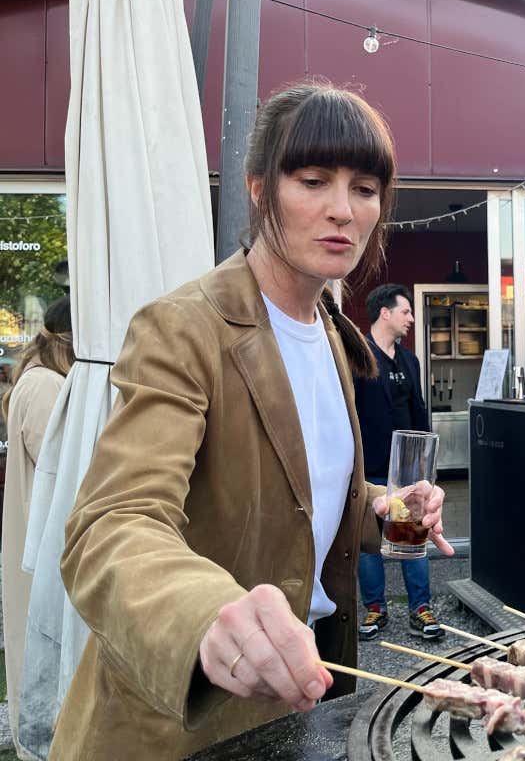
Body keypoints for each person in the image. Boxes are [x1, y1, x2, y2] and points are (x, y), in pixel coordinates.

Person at [51, 82, 451, 759]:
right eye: (313, 180)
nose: (342, 211)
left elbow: (310, 500)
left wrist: (386, 511)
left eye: (364, 188)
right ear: (260, 188)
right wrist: (204, 612)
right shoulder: (184, 329)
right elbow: (110, 524)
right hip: (179, 726)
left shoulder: (331, 331)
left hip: (303, 703)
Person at [1, 297, 73, 761]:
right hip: (43, 545)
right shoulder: (45, 387)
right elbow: (71, 469)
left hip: (41, 543)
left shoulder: (37, 380)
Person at [354, 283, 444, 641]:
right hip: (369, 465)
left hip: (409, 469)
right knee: (369, 542)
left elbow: (418, 410)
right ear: (385, 313)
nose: (411, 318)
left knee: (413, 536)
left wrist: (427, 466)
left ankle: (419, 609)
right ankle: (375, 608)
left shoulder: (410, 360)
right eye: (406, 311)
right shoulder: (356, 355)